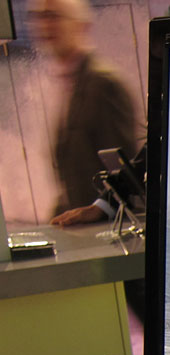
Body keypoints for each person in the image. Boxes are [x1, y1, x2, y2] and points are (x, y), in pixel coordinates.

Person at [28, 0, 138, 220]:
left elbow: (125, 176)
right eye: (40, 17)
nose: (45, 25)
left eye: (53, 16)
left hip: (107, 232)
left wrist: (98, 210)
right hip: (82, 232)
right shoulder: (72, 83)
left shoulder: (104, 85)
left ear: (80, 25)